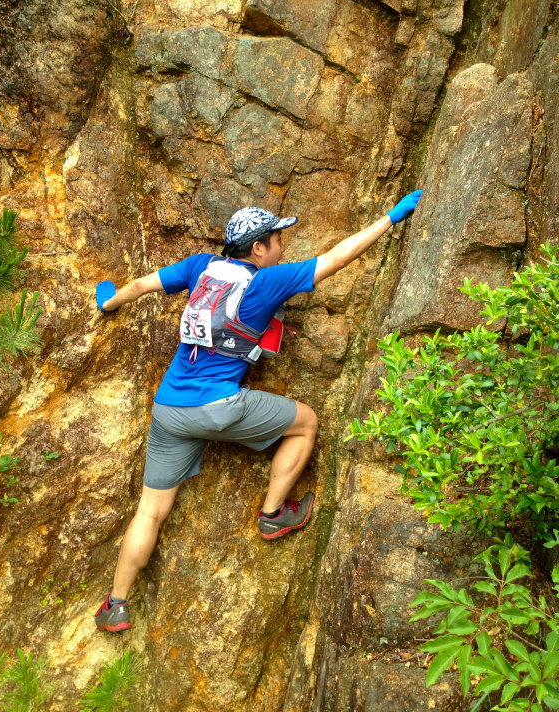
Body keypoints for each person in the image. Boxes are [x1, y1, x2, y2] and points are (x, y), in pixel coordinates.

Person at [93, 191, 422, 632]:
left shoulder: (198, 267)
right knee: (306, 423)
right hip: (218, 407)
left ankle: (116, 605)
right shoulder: (267, 282)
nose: (284, 248)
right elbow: (336, 259)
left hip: (169, 407)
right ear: (258, 248)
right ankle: (272, 515)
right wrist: (390, 219)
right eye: (279, 240)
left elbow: (139, 287)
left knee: (150, 511)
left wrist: (109, 301)